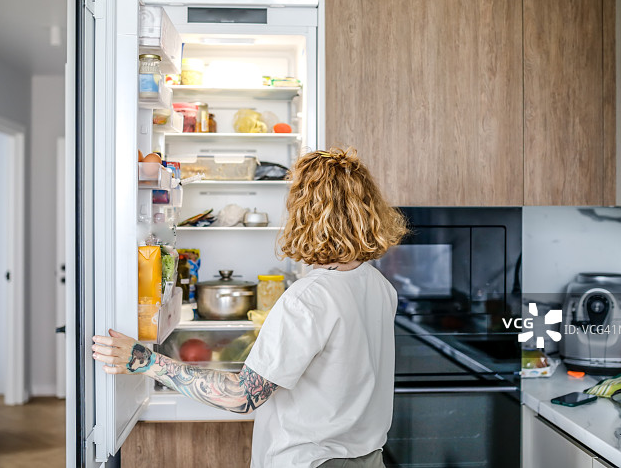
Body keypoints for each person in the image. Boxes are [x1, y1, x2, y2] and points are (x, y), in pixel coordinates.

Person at [92, 148, 407, 468]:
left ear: (308, 216)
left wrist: (145, 362)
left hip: (313, 461)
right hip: (369, 459)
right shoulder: (379, 285)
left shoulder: (309, 299)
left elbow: (242, 396)